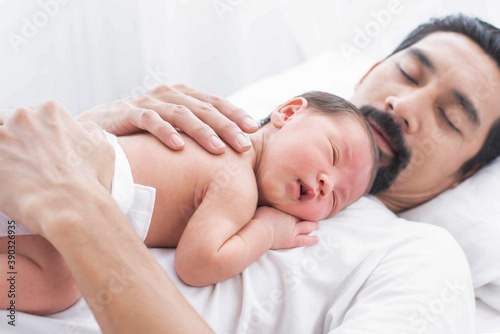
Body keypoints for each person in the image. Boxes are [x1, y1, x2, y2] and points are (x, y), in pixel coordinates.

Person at [0, 13, 498, 333]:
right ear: (369, 71)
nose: (404, 104)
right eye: (409, 73)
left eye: (452, 118)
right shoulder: (228, 133)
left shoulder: (423, 259)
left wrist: (78, 212)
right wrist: (93, 127)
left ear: (462, 175)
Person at [0, 91, 377, 315]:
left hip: (61, 163)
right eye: (331, 153)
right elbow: (197, 264)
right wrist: (267, 231)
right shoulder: (238, 184)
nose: (328, 184)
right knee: (60, 284)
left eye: (335, 201)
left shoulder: (214, 133)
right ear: (289, 112)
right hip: (80, 171)